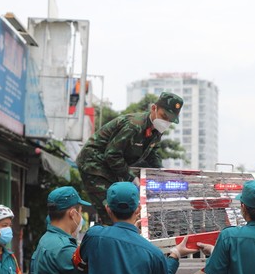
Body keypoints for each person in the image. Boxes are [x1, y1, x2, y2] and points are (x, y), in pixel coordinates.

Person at [76, 92, 184, 223]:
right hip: (94, 164)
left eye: (170, 120)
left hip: (111, 167)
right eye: (164, 116)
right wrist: (131, 177)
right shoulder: (134, 126)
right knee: (112, 211)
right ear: (154, 108)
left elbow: (152, 153)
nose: (166, 122)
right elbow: (112, 154)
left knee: (124, 209)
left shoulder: (156, 130)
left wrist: (161, 174)